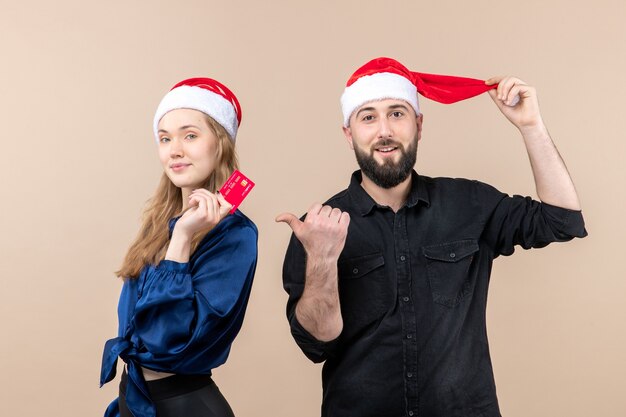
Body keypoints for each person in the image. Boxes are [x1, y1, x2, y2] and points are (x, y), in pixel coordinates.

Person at [277, 57, 587, 417]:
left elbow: (563, 220)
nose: (384, 131)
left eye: (397, 113)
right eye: (368, 117)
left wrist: (531, 126)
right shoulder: (317, 228)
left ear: (419, 125)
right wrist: (322, 259)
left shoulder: (470, 203)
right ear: (349, 134)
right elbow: (316, 344)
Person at [100, 77, 258, 417]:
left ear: (220, 144)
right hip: (136, 398)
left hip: (187, 407)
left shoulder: (236, 235)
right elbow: (132, 324)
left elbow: (165, 340)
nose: (175, 150)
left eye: (190, 135)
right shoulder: (158, 223)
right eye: (164, 138)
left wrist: (184, 239)